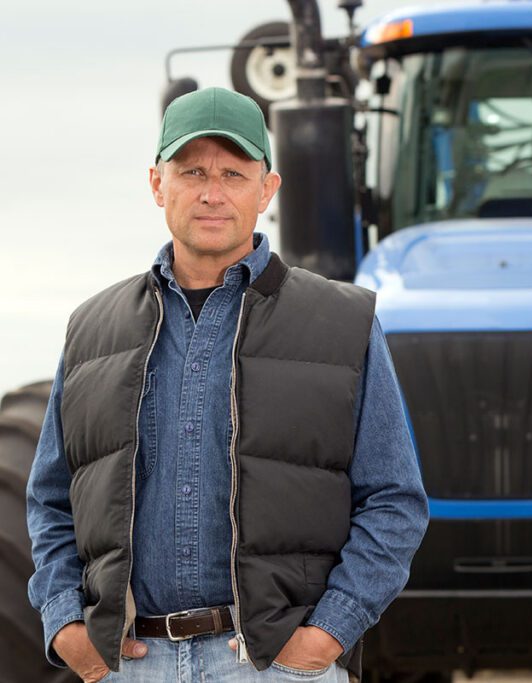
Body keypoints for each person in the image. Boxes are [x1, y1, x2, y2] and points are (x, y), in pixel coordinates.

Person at [25, 87, 429, 682]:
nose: (212, 193)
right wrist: (67, 628)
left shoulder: (344, 324)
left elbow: (395, 499)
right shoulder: (92, 330)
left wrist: (327, 634)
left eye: (234, 174)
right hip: (130, 665)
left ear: (267, 189)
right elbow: (51, 501)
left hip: (275, 667)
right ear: (158, 184)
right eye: (192, 172)